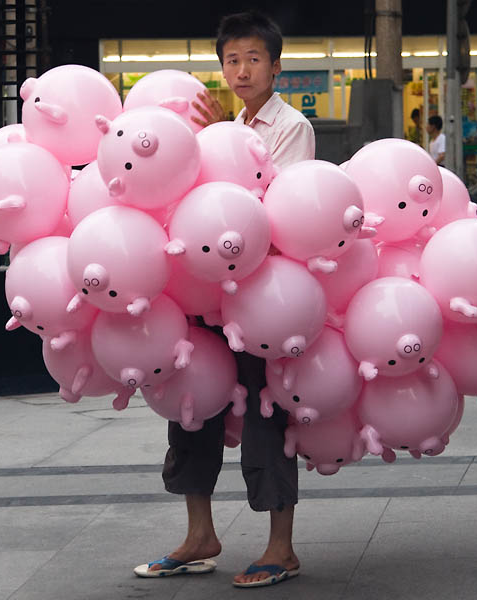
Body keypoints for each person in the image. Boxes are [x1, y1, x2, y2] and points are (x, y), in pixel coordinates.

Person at [134, 10, 314, 589]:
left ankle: (280, 546)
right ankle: (200, 535)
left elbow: (272, 210)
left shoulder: (291, 127)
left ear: (275, 67)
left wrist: (218, 140)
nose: (241, 70)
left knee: (266, 411)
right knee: (193, 406)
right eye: (231, 60)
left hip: (262, 299)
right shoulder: (223, 124)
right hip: (205, 293)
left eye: (253, 59)